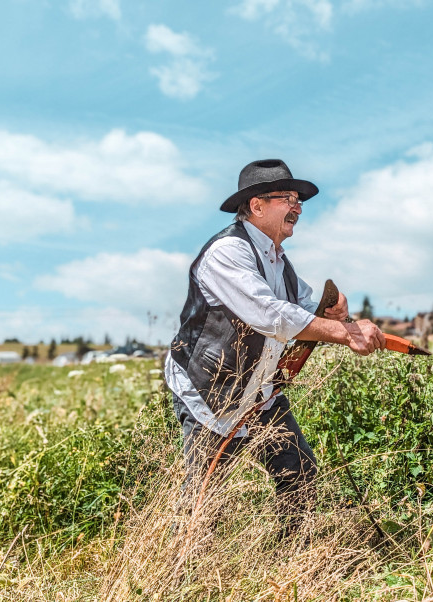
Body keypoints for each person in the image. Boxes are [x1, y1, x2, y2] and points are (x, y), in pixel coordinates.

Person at [165, 159, 385, 535]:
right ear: (257, 205)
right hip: (211, 392)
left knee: (299, 472)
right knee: (204, 496)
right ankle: (178, 575)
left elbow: (303, 308)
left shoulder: (280, 262)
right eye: (289, 198)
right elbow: (270, 315)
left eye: (299, 200)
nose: (298, 207)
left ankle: (289, 558)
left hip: (260, 392)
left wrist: (338, 314)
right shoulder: (226, 253)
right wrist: (344, 332)